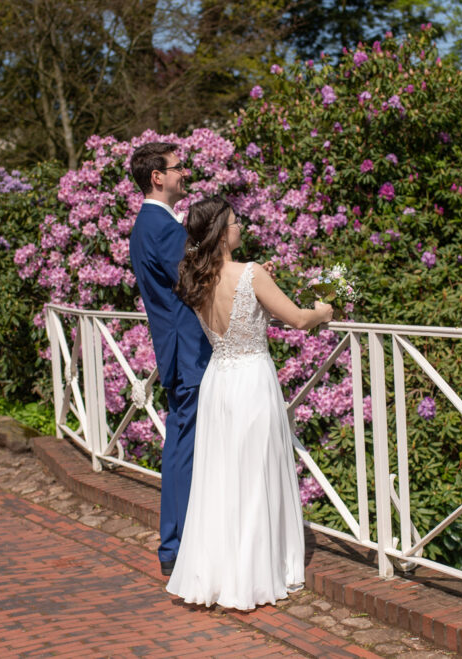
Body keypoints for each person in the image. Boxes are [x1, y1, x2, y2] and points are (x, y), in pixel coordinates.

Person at [167, 196, 333, 610]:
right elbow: (297, 319)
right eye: (235, 222)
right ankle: (254, 574)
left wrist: (262, 281)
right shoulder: (251, 273)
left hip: (218, 381)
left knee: (222, 476)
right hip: (252, 381)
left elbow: (244, 306)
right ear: (222, 233)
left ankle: (221, 572)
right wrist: (323, 310)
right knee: (256, 473)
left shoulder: (198, 279)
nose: (241, 227)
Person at [128, 142, 212, 577]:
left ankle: (175, 544)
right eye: (179, 168)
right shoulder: (161, 227)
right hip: (188, 350)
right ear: (157, 177)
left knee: (181, 443)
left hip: (177, 348)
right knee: (185, 447)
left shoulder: (148, 224)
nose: (186, 174)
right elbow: (197, 282)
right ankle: (178, 544)